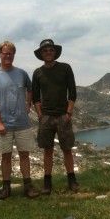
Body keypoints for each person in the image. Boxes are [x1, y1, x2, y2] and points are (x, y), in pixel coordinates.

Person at [0, 41, 39, 199]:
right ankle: (6, 188)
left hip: (22, 123)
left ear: (14, 54)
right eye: (5, 53)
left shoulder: (22, 73)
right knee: (6, 157)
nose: (8, 56)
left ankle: (28, 187)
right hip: (4, 125)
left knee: (24, 155)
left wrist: (28, 104)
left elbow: (30, 88)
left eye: (10, 53)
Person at [32, 39, 79, 195]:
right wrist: (40, 115)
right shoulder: (37, 73)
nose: (48, 52)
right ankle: (47, 183)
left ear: (55, 52)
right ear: (41, 54)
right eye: (45, 50)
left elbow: (72, 92)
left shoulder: (65, 68)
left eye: (51, 50)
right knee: (47, 150)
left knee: (67, 149)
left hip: (62, 116)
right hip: (46, 117)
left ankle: (72, 180)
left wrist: (69, 113)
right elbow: (35, 97)